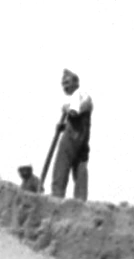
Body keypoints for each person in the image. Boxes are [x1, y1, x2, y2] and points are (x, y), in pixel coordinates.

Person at [51, 68, 93, 201]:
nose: (65, 86)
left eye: (67, 83)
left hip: (75, 133)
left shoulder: (77, 95)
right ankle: (81, 198)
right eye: (63, 84)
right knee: (80, 163)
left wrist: (66, 108)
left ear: (76, 82)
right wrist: (64, 126)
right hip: (83, 134)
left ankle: (57, 196)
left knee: (62, 162)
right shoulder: (85, 96)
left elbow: (74, 113)